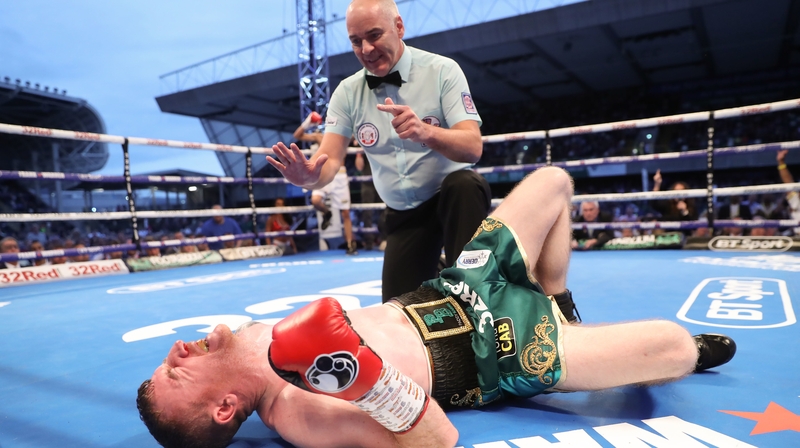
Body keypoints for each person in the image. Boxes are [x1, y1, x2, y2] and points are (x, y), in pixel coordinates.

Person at [137, 167, 736, 448]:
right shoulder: (299, 414)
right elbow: (438, 439)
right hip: (497, 354)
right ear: (224, 409)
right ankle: (571, 337)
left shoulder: (243, 337)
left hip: (454, 287)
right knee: (673, 346)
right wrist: (365, 375)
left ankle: (560, 304)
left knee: (554, 182)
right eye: (175, 374)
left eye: (166, 362)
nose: (177, 350)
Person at [267, 0, 492, 301]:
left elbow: (473, 147)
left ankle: (476, 285)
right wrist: (309, 177)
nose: (366, 49)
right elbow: (329, 161)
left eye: (374, 35)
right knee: (397, 311)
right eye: (355, 41)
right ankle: (437, 270)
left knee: (464, 184)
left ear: (399, 27)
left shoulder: (442, 70)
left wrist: (427, 132)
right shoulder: (347, 93)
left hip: (452, 201)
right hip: (403, 213)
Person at [293, 113, 358, 255]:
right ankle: (326, 213)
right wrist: (307, 123)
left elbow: (360, 133)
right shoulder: (320, 137)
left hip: (340, 175)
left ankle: (350, 244)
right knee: (315, 201)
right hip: (324, 173)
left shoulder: (346, 135)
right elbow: (297, 136)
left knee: (346, 213)